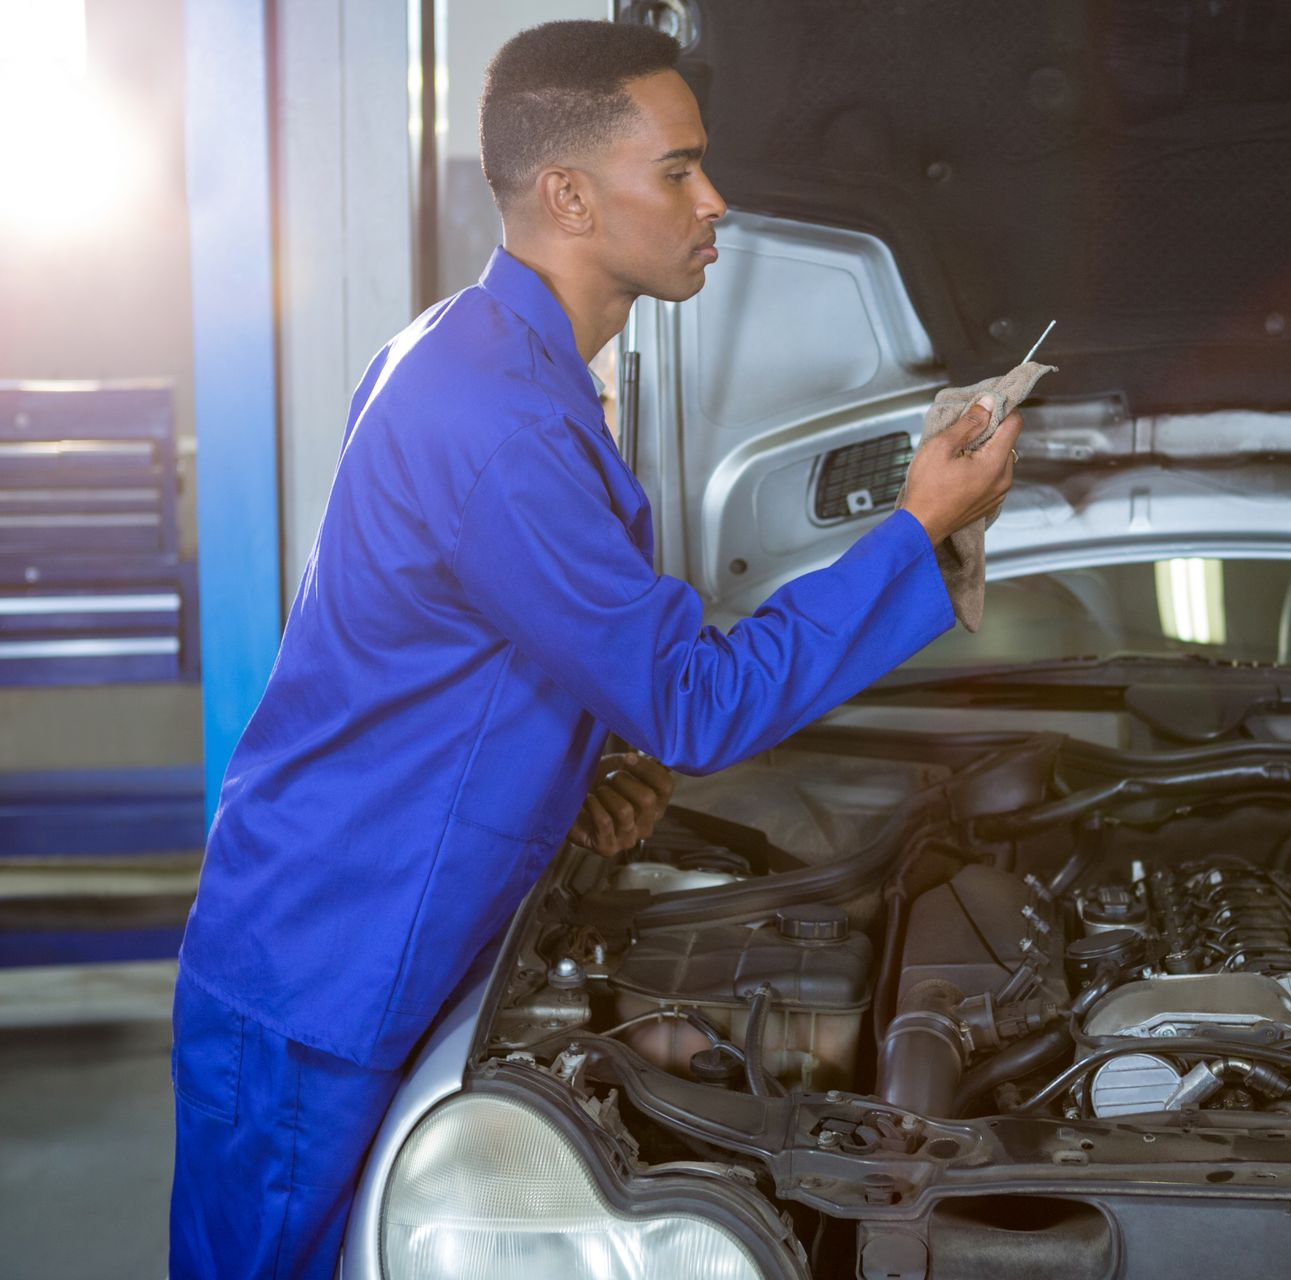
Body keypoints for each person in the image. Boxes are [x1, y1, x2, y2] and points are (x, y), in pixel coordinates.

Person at [167, 19, 1020, 1277]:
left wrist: (562, 778)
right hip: (322, 978)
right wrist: (916, 528)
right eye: (677, 170)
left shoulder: (480, 355)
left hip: (353, 925)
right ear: (568, 193)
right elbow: (691, 701)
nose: (714, 199)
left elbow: (469, 658)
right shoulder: (500, 420)